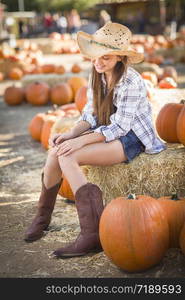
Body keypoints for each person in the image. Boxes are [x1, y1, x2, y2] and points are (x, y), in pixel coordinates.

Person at [24, 22, 166, 258]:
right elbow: (90, 114)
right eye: (94, 57)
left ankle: (91, 234)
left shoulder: (132, 81)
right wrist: (71, 134)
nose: (98, 63)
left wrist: (80, 143)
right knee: (56, 151)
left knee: (68, 156)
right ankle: (42, 217)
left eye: (106, 58)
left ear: (121, 57)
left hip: (130, 137)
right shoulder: (97, 76)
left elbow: (120, 127)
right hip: (105, 130)